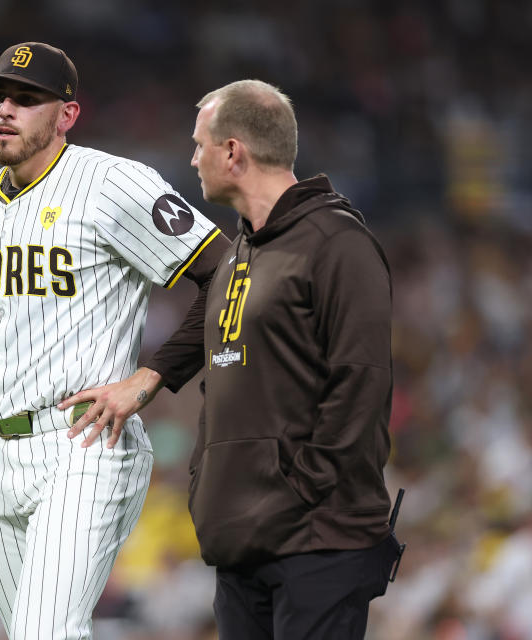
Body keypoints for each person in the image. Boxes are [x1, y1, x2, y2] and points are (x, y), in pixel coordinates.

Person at [0, 42, 231, 639]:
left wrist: (151, 378)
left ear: (66, 114)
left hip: (84, 443)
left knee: (45, 632)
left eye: (27, 98)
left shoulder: (113, 183)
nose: (6, 108)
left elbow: (225, 273)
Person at [61, 79, 402, 639]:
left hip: (316, 539)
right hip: (243, 537)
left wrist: (299, 489)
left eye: (199, 145)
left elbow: (360, 387)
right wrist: (151, 385)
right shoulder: (242, 248)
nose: (192, 158)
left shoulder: (337, 242)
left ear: (233, 151)